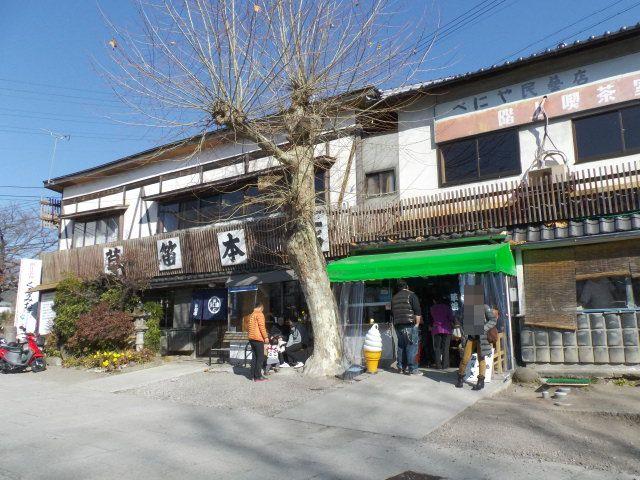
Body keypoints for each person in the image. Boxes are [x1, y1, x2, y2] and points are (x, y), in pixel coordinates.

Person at [456, 304, 498, 391]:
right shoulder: (465, 307)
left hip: (481, 337)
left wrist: (484, 328)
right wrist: (463, 332)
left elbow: (493, 320)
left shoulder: (484, 307)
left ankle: (480, 382)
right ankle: (460, 378)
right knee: (464, 359)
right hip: (470, 337)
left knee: (481, 359)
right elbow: (460, 320)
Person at [391, 279, 422, 375]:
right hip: (409, 324)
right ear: (407, 287)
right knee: (412, 346)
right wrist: (417, 324)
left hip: (398, 325)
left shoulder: (394, 298)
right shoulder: (411, 295)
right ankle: (413, 369)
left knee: (401, 346)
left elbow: (392, 312)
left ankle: (401, 367)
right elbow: (417, 311)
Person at [430, 296, 454, 370]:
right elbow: (451, 318)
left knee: (437, 348)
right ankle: (445, 365)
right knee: (445, 348)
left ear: (435, 301)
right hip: (446, 329)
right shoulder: (447, 308)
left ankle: (438, 365)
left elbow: (431, 318)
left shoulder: (432, 308)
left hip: (436, 329)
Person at [247, 301, 268, 382]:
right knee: (260, 357)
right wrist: (265, 337)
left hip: (251, 338)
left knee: (254, 357)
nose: (263, 309)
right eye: (262, 308)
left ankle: (252, 376)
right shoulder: (259, 314)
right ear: (260, 307)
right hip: (258, 338)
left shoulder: (251, 315)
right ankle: (258, 376)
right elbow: (262, 327)